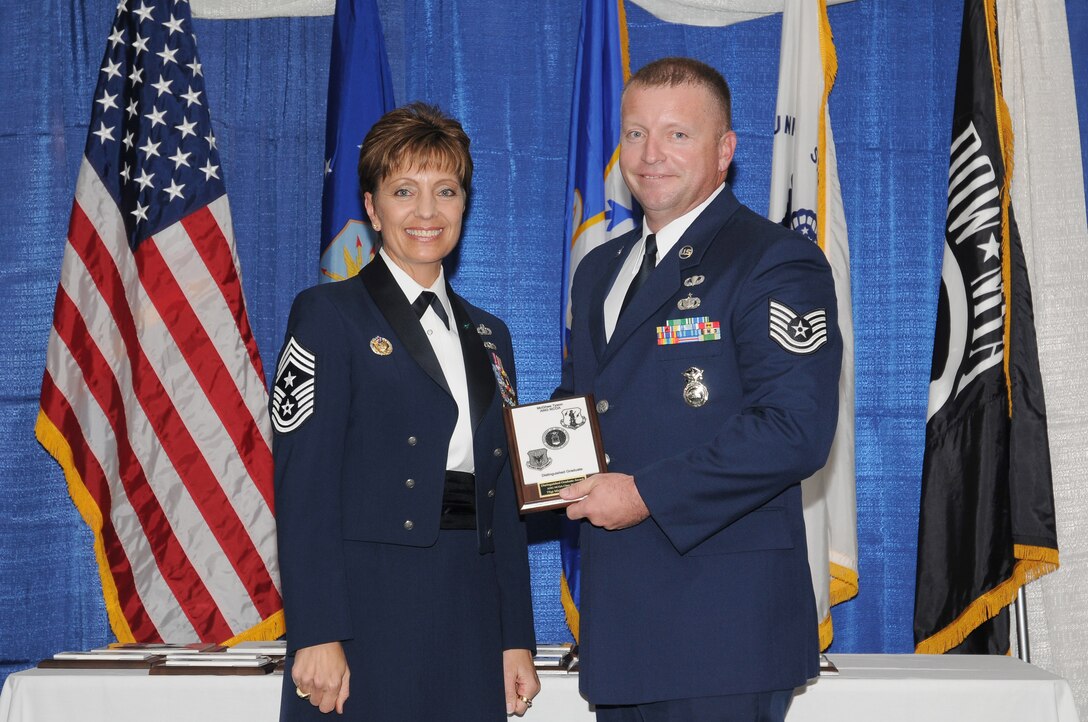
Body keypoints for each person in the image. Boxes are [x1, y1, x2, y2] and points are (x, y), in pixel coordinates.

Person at [556, 57, 842, 722]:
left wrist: (644, 494)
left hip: (722, 630)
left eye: (678, 134)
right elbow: (587, 405)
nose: (651, 155)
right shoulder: (600, 269)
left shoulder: (773, 260)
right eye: (635, 134)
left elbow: (794, 430)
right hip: (622, 629)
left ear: (725, 150)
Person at [272, 102, 539, 720]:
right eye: (404, 191)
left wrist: (514, 636)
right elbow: (303, 484)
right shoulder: (327, 314)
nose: (426, 212)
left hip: (469, 611)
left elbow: (502, 499)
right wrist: (315, 629)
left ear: (464, 204)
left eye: (445, 191)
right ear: (372, 206)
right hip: (365, 612)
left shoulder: (491, 334)